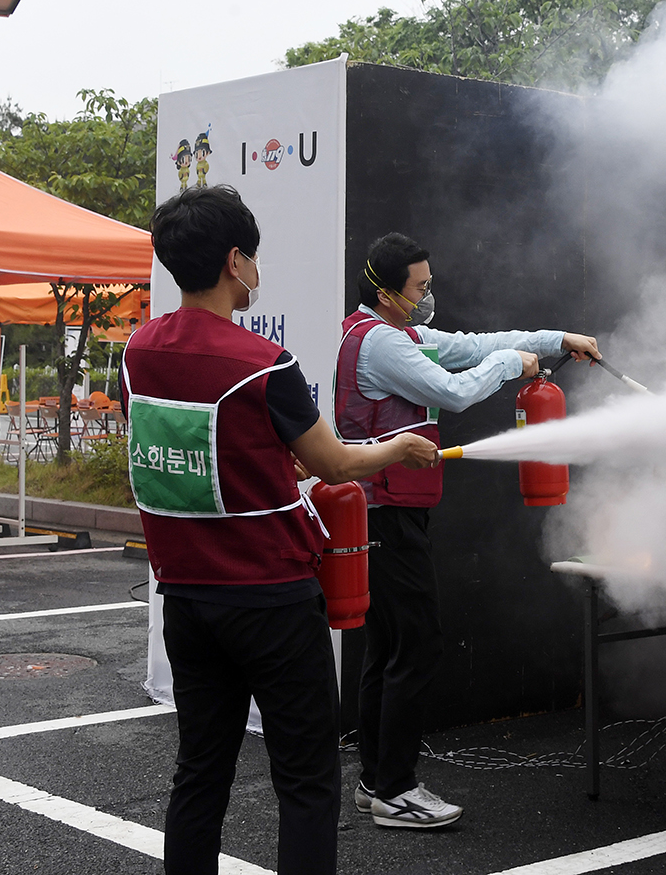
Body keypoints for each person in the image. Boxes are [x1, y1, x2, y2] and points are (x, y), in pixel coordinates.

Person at [125, 187, 438, 875]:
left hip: (185, 600)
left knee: (200, 772)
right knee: (304, 779)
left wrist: (273, 460)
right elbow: (333, 462)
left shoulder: (139, 351)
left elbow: (201, 455)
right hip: (271, 601)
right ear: (237, 261)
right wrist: (400, 446)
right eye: (255, 257)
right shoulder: (265, 363)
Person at [333, 232, 599, 828]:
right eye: (420, 286)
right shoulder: (380, 345)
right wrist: (512, 367)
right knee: (417, 642)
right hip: (386, 513)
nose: (428, 295)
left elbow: (473, 345)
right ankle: (395, 790)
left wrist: (556, 340)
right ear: (386, 291)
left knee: (390, 646)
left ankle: (377, 779)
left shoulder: (392, 334)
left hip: (386, 510)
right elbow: (453, 390)